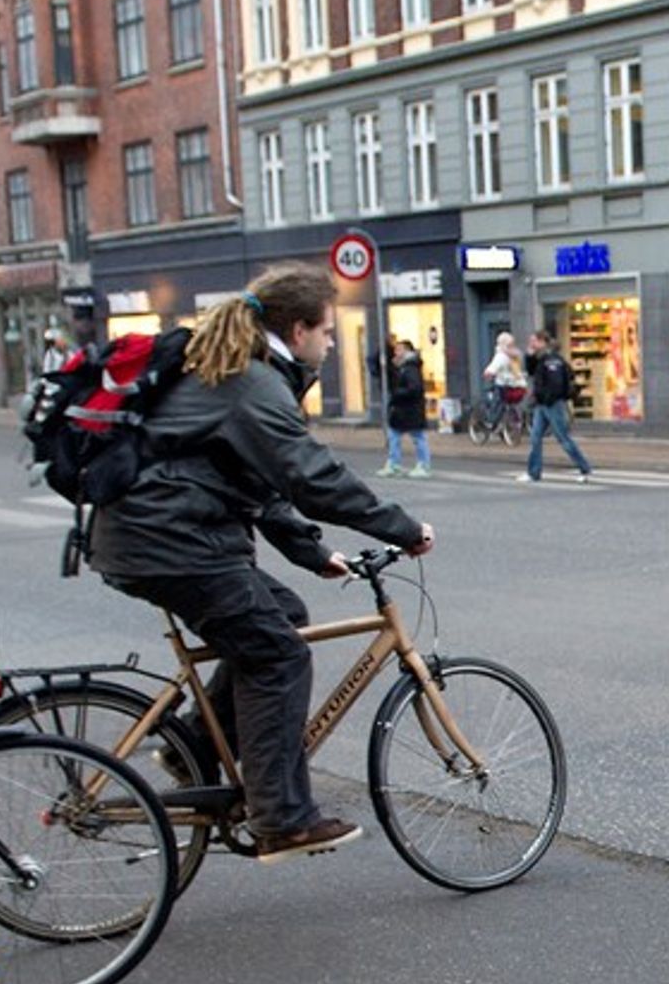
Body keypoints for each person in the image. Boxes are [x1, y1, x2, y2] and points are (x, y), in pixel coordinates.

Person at [90, 263, 432, 858]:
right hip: (171, 544)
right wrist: (401, 528)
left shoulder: (240, 374)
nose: (329, 344)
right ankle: (284, 818)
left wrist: (312, 551)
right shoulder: (251, 382)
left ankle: (191, 746)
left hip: (163, 538)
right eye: (326, 332)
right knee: (279, 654)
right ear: (298, 329)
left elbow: (256, 479)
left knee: (282, 611)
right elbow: (309, 474)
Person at [517, 329, 594, 484]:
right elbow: (531, 370)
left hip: (552, 404)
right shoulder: (542, 358)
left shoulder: (553, 361)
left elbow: (556, 384)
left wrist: (546, 398)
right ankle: (533, 472)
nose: (531, 344)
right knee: (535, 437)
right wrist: (529, 355)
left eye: (534, 341)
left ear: (542, 342)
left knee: (563, 438)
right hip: (542, 404)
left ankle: (584, 468)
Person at [380, 338, 431, 477]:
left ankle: (423, 465)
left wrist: (397, 393)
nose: (396, 352)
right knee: (394, 435)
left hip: (410, 409)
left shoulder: (410, 368)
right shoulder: (403, 367)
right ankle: (394, 463)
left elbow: (415, 388)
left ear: (407, 351)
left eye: (399, 349)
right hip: (403, 410)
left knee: (417, 437)